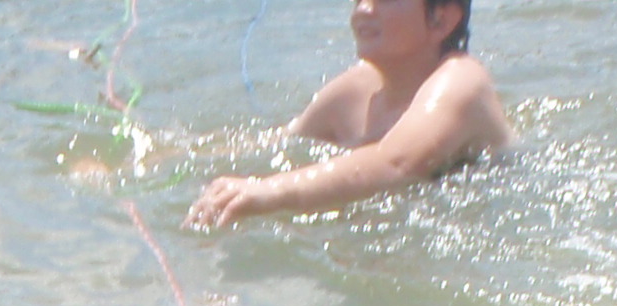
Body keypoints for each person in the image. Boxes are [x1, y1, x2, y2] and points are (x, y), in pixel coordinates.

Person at [187, 0, 512, 232]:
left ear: (440, 20)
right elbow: (276, 146)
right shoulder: (353, 91)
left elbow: (395, 164)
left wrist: (268, 192)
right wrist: (163, 159)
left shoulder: (462, 82)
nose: (363, 9)